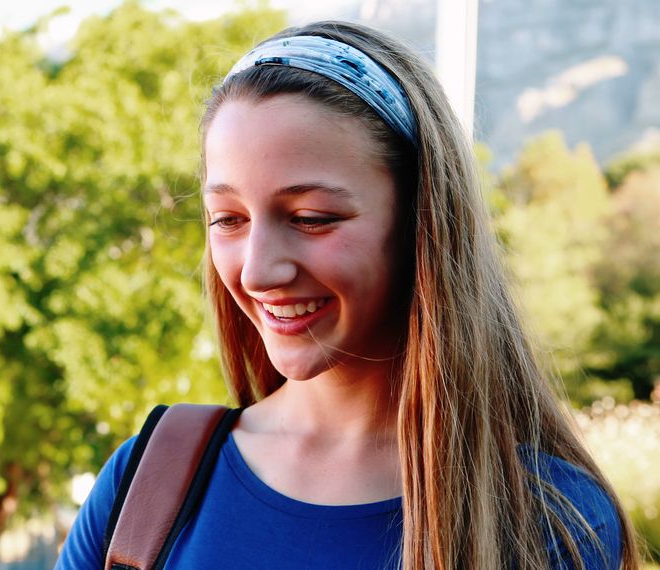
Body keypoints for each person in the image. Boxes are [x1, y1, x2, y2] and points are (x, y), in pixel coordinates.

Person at [56, 20, 639, 569]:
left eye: (311, 217)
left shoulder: (548, 519)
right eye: (227, 219)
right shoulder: (145, 479)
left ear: (421, 220)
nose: (257, 271)